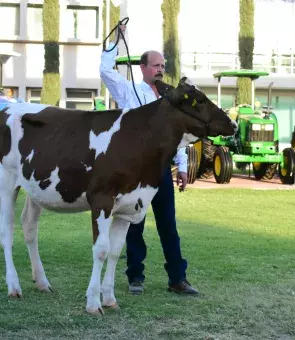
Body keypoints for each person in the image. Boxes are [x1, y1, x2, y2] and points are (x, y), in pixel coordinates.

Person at [99, 25, 199, 295]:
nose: (160, 69)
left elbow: (178, 134)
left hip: (162, 170)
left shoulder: (170, 97)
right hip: (137, 172)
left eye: (162, 65)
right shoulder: (128, 90)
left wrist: (182, 165)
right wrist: (115, 41)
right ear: (142, 67)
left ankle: (178, 279)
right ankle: (135, 278)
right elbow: (105, 72)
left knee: (169, 225)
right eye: (155, 65)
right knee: (135, 225)